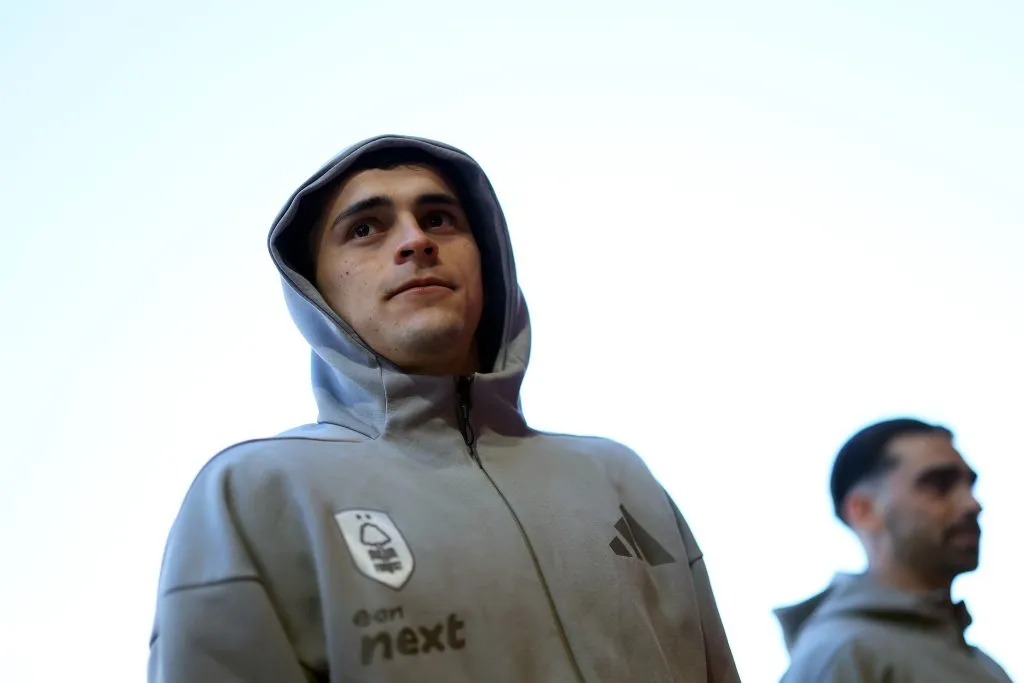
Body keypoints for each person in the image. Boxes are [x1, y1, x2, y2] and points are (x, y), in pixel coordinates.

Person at [147, 134, 740, 682]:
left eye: (439, 219)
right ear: (315, 291)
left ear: (487, 261)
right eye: (365, 230)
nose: (415, 241)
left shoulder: (620, 479)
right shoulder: (258, 494)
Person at [774, 418, 1012, 682]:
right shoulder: (841, 654)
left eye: (970, 485)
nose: (972, 504)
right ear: (864, 510)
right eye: (940, 485)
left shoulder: (984, 666)